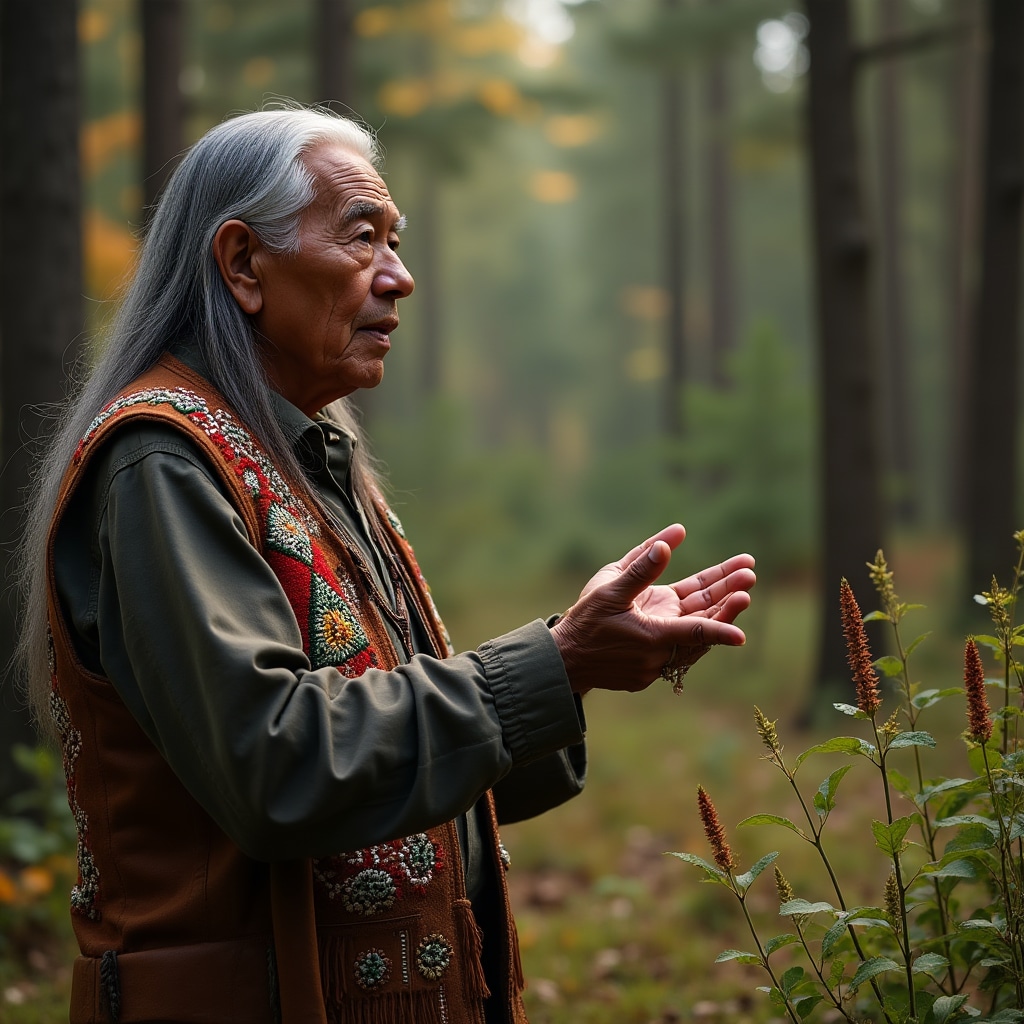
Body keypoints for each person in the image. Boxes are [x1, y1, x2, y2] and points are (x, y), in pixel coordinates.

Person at [18, 107, 755, 1024]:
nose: (400, 278)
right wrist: (555, 662)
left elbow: (391, 754)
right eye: (362, 236)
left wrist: (579, 666)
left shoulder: (306, 460)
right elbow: (278, 765)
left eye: (396, 242)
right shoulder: (165, 462)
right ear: (243, 265)